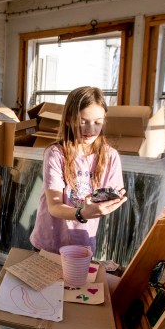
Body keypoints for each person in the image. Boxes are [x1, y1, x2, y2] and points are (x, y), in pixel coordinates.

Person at [29, 86, 127, 255]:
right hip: (49, 243)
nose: (91, 129)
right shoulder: (56, 154)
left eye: (97, 122)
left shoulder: (110, 156)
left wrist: (110, 202)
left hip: (82, 244)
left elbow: (110, 197)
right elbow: (54, 207)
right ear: (68, 119)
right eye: (83, 121)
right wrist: (83, 213)